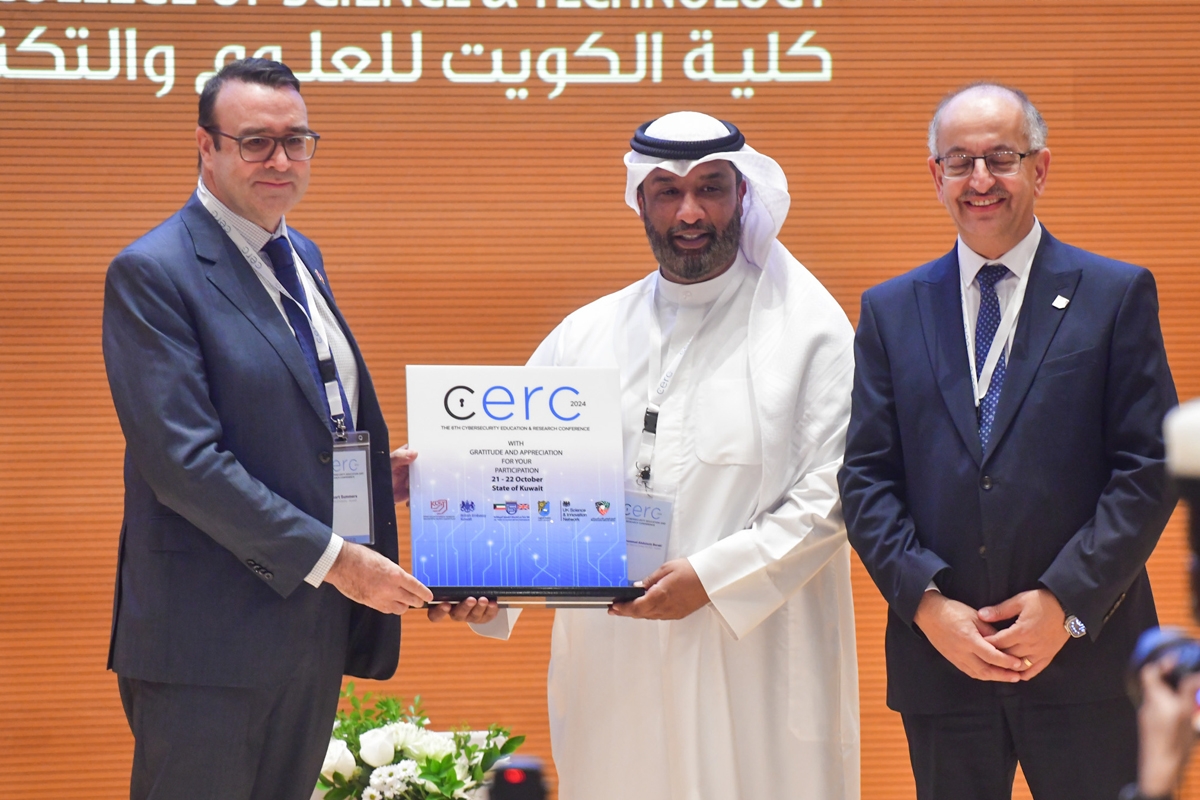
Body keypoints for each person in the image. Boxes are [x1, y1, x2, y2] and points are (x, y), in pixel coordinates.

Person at [432, 110, 860, 799]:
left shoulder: (809, 332)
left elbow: (835, 495)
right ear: (640, 199)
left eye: (710, 188)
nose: (690, 212)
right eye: (667, 191)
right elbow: (514, 473)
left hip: (752, 654)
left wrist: (714, 579)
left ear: (744, 194)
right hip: (615, 664)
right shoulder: (584, 336)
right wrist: (486, 582)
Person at [102, 57, 433, 800]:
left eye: (296, 140)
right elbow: (183, 463)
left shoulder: (301, 255)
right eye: (255, 142)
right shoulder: (153, 272)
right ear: (207, 145)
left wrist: (365, 482)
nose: (280, 160)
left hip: (306, 632)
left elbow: (301, 419)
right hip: (206, 644)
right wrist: (338, 560)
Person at [838, 81, 1178, 800]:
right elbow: (866, 479)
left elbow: (1147, 468)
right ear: (935, 176)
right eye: (959, 161)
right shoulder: (891, 311)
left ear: (1040, 168)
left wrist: (1065, 602)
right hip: (944, 663)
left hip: (1086, 659)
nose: (980, 179)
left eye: (1001, 158)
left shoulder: (1114, 294)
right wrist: (929, 607)